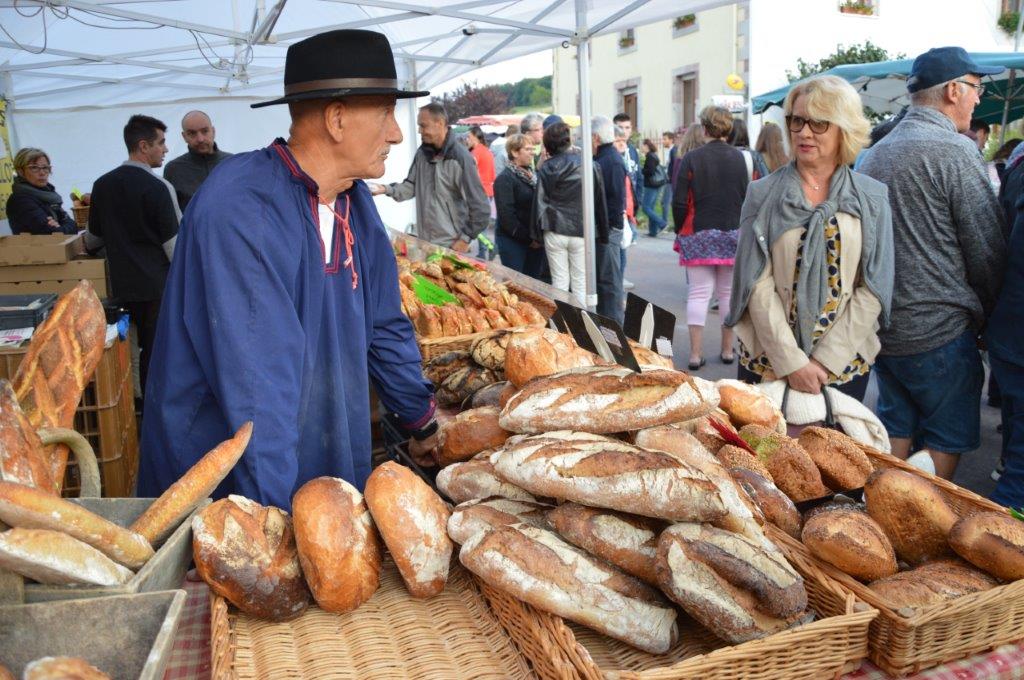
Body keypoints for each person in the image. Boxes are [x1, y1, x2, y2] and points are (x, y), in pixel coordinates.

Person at [137, 29, 438, 510]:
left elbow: (384, 323)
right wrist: (278, 521)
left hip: (323, 449)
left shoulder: (354, 201)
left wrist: (420, 419)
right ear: (336, 119)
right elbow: (257, 393)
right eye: (385, 113)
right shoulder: (243, 208)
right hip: (233, 484)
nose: (396, 133)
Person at [859, 47, 1005, 479]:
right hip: (941, 329)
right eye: (976, 88)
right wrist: (988, 316)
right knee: (945, 439)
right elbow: (987, 250)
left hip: (885, 328)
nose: (978, 99)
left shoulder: (874, 154)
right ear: (953, 91)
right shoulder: (955, 151)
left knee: (895, 431)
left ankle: (878, 516)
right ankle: (916, 518)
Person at [729, 76, 894, 406]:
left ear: (843, 128)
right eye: (797, 120)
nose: (804, 132)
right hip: (769, 359)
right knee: (760, 440)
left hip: (842, 364)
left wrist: (824, 361)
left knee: (832, 442)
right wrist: (792, 363)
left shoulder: (872, 197)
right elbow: (754, 282)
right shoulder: (762, 194)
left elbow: (875, 285)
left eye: (819, 123)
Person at [88, 115, 180, 395]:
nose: (165, 149)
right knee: (156, 352)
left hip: (119, 287)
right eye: (161, 143)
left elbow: (92, 240)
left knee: (123, 351)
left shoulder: (102, 185)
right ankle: (152, 407)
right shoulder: (159, 187)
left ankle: (130, 404)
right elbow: (175, 248)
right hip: (156, 289)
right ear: (143, 146)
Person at [673, 106, 750, 371]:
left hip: (699, 232)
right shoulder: (741, 159)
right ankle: (727, 350)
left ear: (704, 128)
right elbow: (748, 196)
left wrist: (679, 228)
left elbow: (679, 201)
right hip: (733, 232)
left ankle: (695, 354)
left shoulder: (691, 158)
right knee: (727, 294)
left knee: (698, 293)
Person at [369, 103, 489, 252]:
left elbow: (481, 209)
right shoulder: (422, 154)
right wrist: (385, 189)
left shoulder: (460, 158)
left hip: (451, 246)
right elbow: (411, 187)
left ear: (440, 123)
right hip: (425, 243)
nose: (419, 130)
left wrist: (465, 239)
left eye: (423, 125)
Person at [532, 122, 609, 305]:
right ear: (569, 140)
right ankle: (580, 320)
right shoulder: (590, 165)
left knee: (559, 282)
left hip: (555, 228)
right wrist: (604, 232)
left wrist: (535, 235)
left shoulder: (548, 167)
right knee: (580, 282)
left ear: (548, 145)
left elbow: (539, 202)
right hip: (582, 229)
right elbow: (599, 201)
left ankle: (561, 320)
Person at [988, 197, 1024, 506]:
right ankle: (996, 527)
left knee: (1017, 456)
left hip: (1009, 335)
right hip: (1014, 341)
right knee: (1019, 477)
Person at [494, 133, 543, 279]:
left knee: (533, 286)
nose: (532, 153)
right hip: (513, 242)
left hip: (534, 241)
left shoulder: (532, 176)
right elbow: (507, 216)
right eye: (527, 149)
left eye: (532, 149)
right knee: (515, 285)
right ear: (515, 152)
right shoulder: (505, 179)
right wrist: (529, 239)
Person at [592, 115, 626, 323]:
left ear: (595, 137)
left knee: (609, 282)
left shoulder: (610, 161)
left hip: (609, 230)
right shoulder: (605, 158)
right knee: (605, 281)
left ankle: (613, 329)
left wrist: (609, 229)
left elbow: (614, 200)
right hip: (605, 229)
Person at [163, 110, 232, 210]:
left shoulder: (233, 163)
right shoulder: (173, 170)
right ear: (184, 137)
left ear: (213, 131)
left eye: (205, 131)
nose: (200, 139)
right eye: (192, 133)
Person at [6, 148, 78, 235]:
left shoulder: (49, 195)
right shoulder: (20, 200)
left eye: (45, 167)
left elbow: (74, 226)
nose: (42, 173)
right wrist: (63, 226)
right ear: (20, 171)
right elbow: (53, 233)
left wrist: (61, 226)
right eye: (34, 167)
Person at [640, 138, 669, 236]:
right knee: (650, 208)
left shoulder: (650, 156)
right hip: (656, 184)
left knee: (645, 208)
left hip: (651, 185)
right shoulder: (653, 155)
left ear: (646, 146)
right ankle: (653, 231)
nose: (641, 148)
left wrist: (641, 170)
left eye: (643, 146)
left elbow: (650, 171)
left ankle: (662, 223)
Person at [466, 125, 496, 201]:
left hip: (479, 192)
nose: (467, 140)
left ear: (475, 137)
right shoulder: (486, 150)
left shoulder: (475, 152)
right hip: (489, 191)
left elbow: (469, 172)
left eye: (468, 137)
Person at [659, 131, 676, 225]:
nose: (663, 141)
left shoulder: (674, 150)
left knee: (665, 202)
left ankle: (664, 224)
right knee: (664, 202)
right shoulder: (669, 150)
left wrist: (670, 177)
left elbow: (675, 166)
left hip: (670, 181)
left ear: (671, 140)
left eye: (665, 139)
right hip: (668, 180)